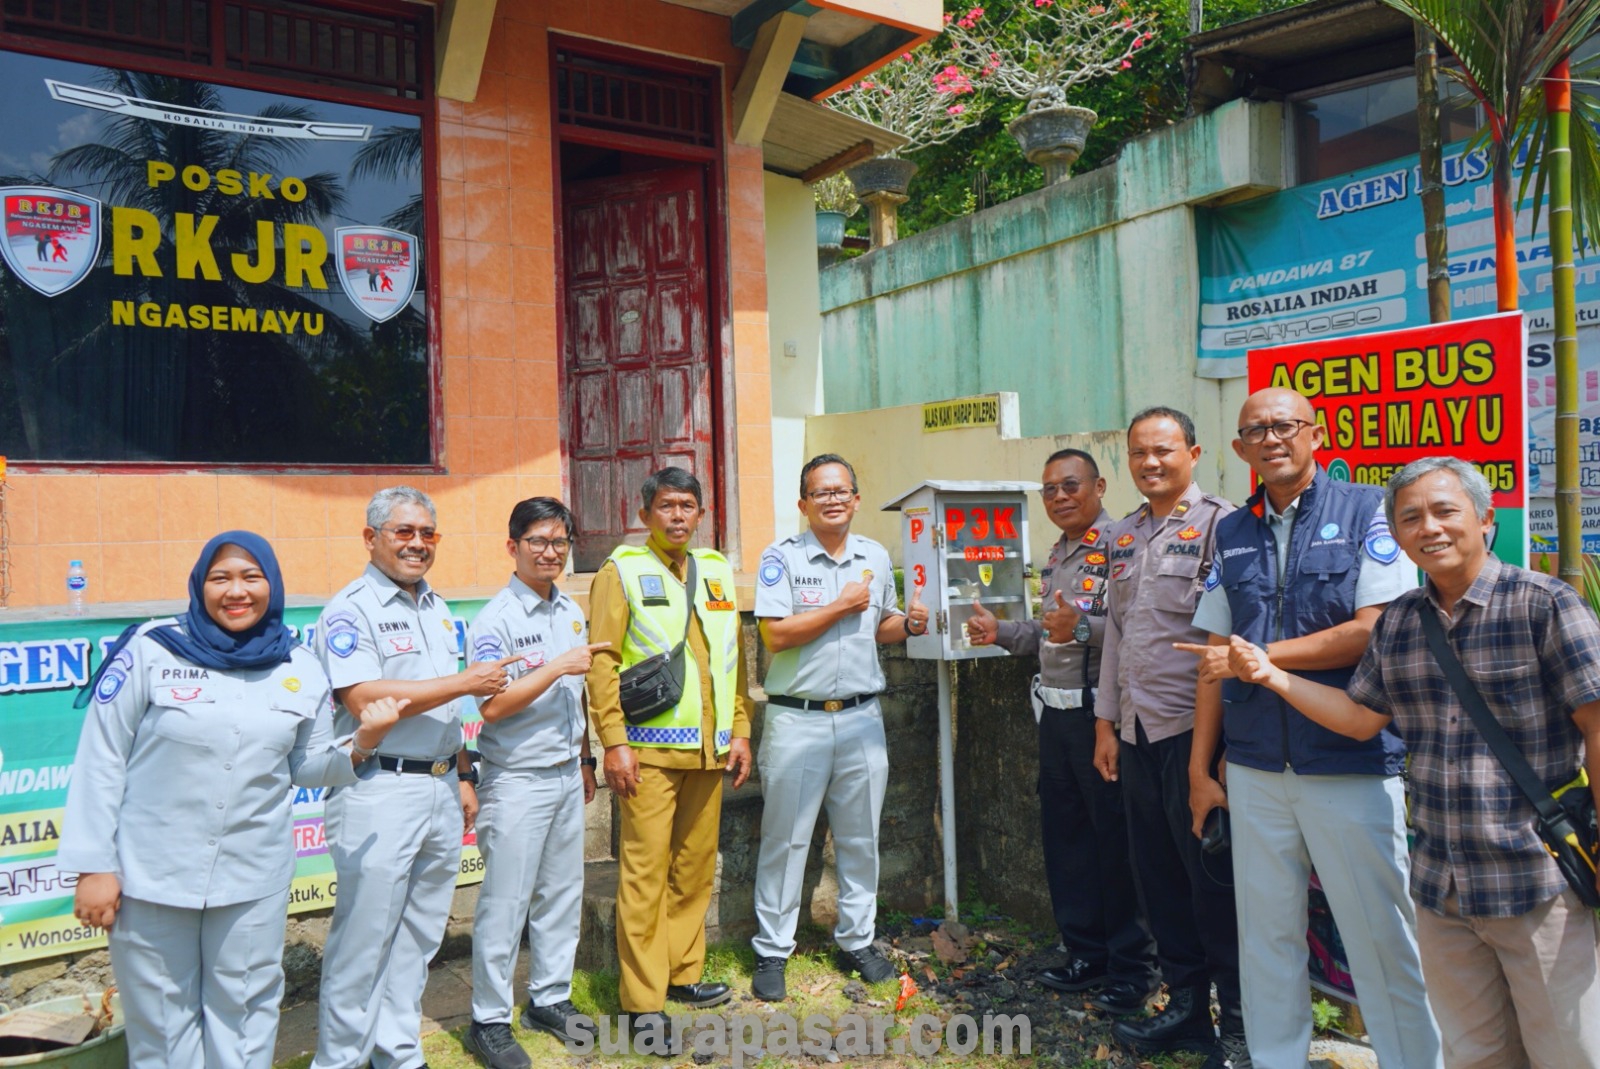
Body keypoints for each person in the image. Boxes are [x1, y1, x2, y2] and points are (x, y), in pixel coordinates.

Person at [1225, 457, 1600, 1069]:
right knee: (1474, 1053)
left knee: (1567, 1051)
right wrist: (1273, 675)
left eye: (1446, 511)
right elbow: (1358, 717)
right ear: (1396, 536)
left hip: (1534, 880)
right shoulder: (1399, 622)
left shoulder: (1544, 605)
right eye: (1411, 517)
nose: (1430, 527)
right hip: (1442, 888)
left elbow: (1596, 723)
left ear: (1484, 519)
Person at [57, 531, 405, 1068]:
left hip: (251, 878)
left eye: (251, 576)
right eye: (221, 578)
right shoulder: (151, 650)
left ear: (272, 584)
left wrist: (361, 745)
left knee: (244, 1017)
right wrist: (93, 866)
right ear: (200, 584)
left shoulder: (298, 665)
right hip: (152, 877)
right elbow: (101, 761)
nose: (236, 591)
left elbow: (305, 768)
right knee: (162, 1028)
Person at [1176, 388, 1440, 1069]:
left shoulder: (1365, 513)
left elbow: (1371, 628)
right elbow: (1213, 651)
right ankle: (1276, 1059)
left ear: (1315, 433)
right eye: (1255, 430)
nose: (1271, 438)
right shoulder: (1231, 530)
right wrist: (1202, 769)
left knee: (1382, 939)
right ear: (1238, 449)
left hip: (1347, 763)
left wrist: (1260, 659)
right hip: (1258, 768)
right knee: (1266, 938)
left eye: (1284, 425)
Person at [311, 486, 516, 1069]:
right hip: (377, 787)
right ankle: (340, 1061)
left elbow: (444, 712)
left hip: (438, 787)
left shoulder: (436, 606)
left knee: (419, 936)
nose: (417, 544)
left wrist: (462, 775)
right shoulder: (350, 609)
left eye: (428, 534)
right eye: (404, 532)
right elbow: (363, 693)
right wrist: (465, 683)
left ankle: (397, 1053)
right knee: (364, 940)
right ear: (371, 538)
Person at [967, 447, 1158, 1015]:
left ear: (1099, 486)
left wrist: (1079, 631)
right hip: (1055, 715)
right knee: (1067, 839)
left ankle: (1132, 967)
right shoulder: (1056, 554)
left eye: (1070, 485)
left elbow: (1131, 630)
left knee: (1115, 843)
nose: (1059, 497)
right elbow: (1048, 634)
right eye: (1048, 490)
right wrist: (1001, 630)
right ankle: (1086, 953)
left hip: (1102, 715)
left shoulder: (1123, 544)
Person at [1092, 406, 1243, 1068]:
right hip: (1137, 731)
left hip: (1196, 735)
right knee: (1158, 878)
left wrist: (1205, 761)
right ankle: (1186, 1008)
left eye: (1163, 450)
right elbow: (1116, 637)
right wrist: (1105, 722)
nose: (1150, 462)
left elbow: (1227, 632)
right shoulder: (1123, 535)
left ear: (1194, 451)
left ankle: (1238, 1021)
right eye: (1138, 452)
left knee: (1215, 882)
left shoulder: (1224, 524)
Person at [748, 454, 930, 1001]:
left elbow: (881, 628)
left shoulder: (873, 556)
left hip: (860, 718)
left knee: (859, 838)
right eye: (819, 492)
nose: (832, 499)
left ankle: (857, 939)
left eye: (841, 491)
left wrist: (910, 624)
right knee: (785, 839)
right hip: (796, 719)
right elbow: (775, 636)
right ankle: (772, 950)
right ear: (803, 504)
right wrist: (839, 604)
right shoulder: (781, 559)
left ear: (855, 499)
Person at [586, 467, 755, 1044]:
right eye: (666, 506)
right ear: (645, 514)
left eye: (687, 506)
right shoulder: (621, 572)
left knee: (694, 870)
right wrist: (613, 742)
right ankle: (641, 1004)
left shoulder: (715, 570)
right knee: (644, 875)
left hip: (708, 753)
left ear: (701, 514)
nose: (677, 516)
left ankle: (683, 973)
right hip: (648, 756)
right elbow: (603, 662)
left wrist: (741, 730)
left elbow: (731, 656)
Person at [462, 497, 606, 1069]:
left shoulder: (569, 610)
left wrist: (587, 758)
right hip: (515, 781)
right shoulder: (495, 619)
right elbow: (491, 707)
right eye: (538, 542)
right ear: (513, 547)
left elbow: (580, 694)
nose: (550, 552)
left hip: (566, 775)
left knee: (561, 894)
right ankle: (489, 1020)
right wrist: (555, 668)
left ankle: (549, 998)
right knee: (505, 903)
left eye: (559, 543)